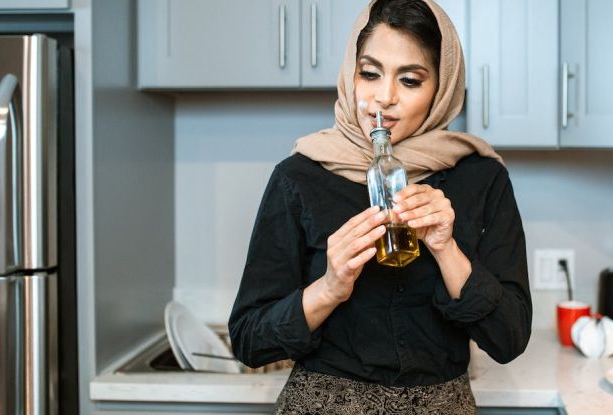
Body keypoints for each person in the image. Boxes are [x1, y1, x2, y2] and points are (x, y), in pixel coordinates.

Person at [228, 0, 532, 413]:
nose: (383, 98)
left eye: (409, 80)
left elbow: (509, 339)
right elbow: (249, 340)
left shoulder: (480, 178)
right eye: (369, 73)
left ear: (441, 88)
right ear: (350, 74)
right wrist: (330, 288)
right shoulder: (299, 177)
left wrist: (447, 250)